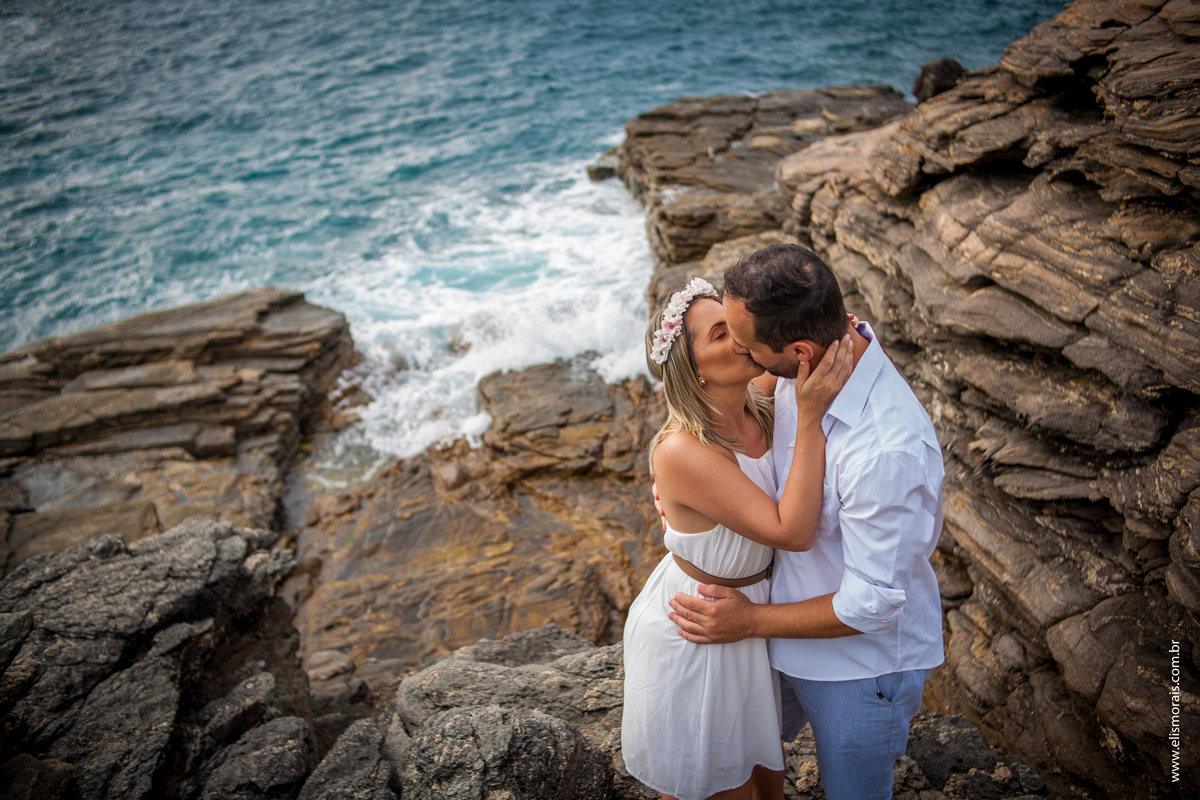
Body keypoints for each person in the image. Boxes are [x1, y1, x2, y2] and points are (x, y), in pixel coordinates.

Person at [667, 244, 946, 800]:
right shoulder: (811, 363)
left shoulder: (885, 452)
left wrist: (751, 621)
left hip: (856, 667)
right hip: (777, 643)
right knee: (724, 767)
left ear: (797, 350)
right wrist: (685, 483)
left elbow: (872, 602)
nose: (743, 357)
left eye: (746, 344)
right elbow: (734, 420)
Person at [622, 276, 854, 800]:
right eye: (720, 335)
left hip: (747, 618)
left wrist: (838, 325)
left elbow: (807, 324)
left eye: (738, 327)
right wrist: (813, 417)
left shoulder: (759, 404)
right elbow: (790, 532)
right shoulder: (681, 451)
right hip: (698, 627)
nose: (742, 340)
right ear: (694, 371)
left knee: (767, 785)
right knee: (715, 788)